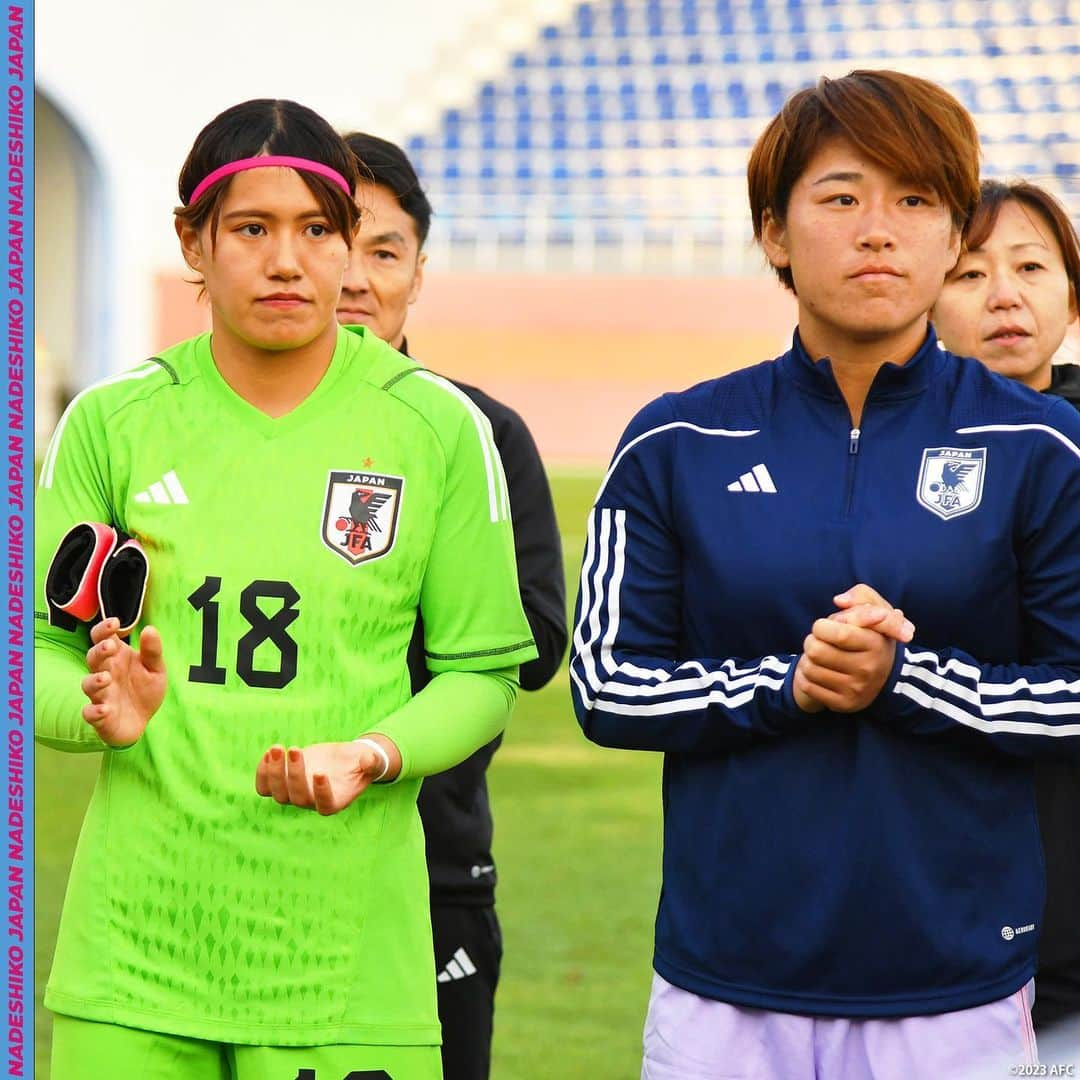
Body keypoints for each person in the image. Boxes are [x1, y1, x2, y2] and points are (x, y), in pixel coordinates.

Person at [570, 70, 1080, 1079]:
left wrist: (905, 681)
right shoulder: (677, 440)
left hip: (958, 984)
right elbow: (604, 683)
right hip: (722, 984)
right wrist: (788, 685)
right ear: (774, 231)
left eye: (915, 201)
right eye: (842, 198)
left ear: (950, 239)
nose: (878, 230)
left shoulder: (1043, 447)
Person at [35, 98, 537, 1080]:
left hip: (348, 972)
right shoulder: (113, 422)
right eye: (252, 229)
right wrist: (97, 707)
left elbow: (484, 674)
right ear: (194, 241)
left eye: (317, 229)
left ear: (350, 243)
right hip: (133, 967)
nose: (286, 260)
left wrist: (374, 751)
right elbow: (30, 657)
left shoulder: (435, 429)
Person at [336, 131, 567, 1080]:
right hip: (230, 864)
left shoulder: (478, 435)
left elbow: (537, 637)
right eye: (327, 238)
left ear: (419, 272)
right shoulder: (192, 431)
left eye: (382, 251)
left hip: (429, 869)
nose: (352, 277)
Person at [933, 178, 1080, 1033]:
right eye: (970, 272)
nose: (1005, 295)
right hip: (929, 893)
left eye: (1031, 265)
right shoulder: (875, 449)